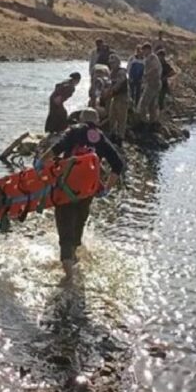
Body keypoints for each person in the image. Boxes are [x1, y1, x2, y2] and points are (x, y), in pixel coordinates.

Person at [37, 108, 125, 281]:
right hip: (87, 191)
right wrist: (106, 188)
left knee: (64, 229)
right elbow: (118, 165)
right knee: (79, 225)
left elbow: (55, 150)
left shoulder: (74, 132)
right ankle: (75, 259)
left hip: (65, 188)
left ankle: (68, 276)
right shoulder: (100, 137)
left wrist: (40, 164)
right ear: (97, 121)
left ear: (81, 119)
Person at [104, 54, 128, 144]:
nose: (112, 65)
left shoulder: (121, 72)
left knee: (121, 118)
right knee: (112, 116)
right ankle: (113, 134)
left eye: (113, 63)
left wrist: (111, 91)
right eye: (110, 63)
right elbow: (109, 84)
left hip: (122, 97)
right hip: (114, 97)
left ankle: (120, 137)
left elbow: (119, 83)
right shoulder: (111, 73)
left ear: (118, 63)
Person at [138, 42, 162, 123]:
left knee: (143, 103)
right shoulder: (150, 57)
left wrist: (145, 75)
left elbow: (155, 68)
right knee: (152, 105)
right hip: (153, 83)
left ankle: (143, 121)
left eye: (144, 50)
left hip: (153, 83)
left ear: (148, 49)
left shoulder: (152, 57)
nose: (143, 52)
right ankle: (153, 121)